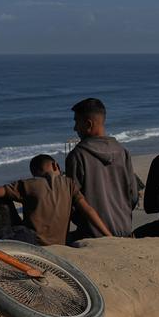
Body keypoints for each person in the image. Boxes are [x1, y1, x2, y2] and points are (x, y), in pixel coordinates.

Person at [0, 154, 111, 246]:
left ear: (34, 173)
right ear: (55, 166)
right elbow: (88, 210)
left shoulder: (28, 184)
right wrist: (109, 235)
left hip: (33, 241)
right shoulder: (70, 184)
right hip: (60, 243)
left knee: (2, 200)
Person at [65, 97, 139, 238]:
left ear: (88, 124)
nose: (74, 128)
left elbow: (72, 202)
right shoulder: (122, 152)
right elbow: (133, 197)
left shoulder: (77, 156)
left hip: (92, 235)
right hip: (125, 230)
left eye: (76, 122)